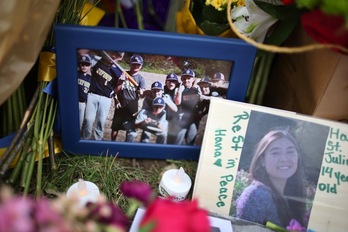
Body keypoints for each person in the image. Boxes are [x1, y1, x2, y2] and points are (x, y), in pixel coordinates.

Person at [235, 129, 307, 228]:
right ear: (262, 160)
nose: (284, 159)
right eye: (276, 153)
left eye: (290, 152)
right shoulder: (256, 196)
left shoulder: (292, 196)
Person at [82, 51, 124, 140]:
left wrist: (120, 83)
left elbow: (116, 91)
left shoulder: (119, 72)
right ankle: (85, 139)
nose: (113, 56)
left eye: (117, 55)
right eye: (113, 53)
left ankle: (98, 140)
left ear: (120, 58)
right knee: (88, 120)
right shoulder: (99, 61)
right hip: (92, 95)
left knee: (101, 122)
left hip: (106, 99)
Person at [111, 54, 146, 141]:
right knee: (115, 127)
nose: (135, 66)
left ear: (141, 66)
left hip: (132, 107)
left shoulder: (141, 79)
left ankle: (127, 145)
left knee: (130, 129)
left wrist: (141, 92)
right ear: (130, 64)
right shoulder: (123, 74)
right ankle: (112, 143)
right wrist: (120, 82)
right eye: (133, 64)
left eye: (138, 64)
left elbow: (142, 95)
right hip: (120, 105)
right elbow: (115, 91)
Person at [174, 69, 202, 145]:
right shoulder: (178, 89)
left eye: (189, 78)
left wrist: (194, 86)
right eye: (184, 78)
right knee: (179, 137)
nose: (186, 80)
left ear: (193, 79)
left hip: (193, 116)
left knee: (191, 137)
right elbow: (177, 102)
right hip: (182, 116)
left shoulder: (197, 88)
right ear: (181, 79)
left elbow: (199, 99)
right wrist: (179, 92)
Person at [163, 73, 180, 144]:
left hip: (175, 118)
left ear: (176, 83)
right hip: (164, 116)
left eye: (173, 81)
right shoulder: (162, 89)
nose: (171, 83)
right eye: (169, 81)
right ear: (166, 82)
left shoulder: (179, 91)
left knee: (172, 139)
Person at [77, 54, 92, 131]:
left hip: (83, 103)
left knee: (79, 124)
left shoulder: (90, 78)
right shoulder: (75, 74)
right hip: (73, 102)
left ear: (90, 66)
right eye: (82, 64)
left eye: (87, 64)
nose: (84, 66)